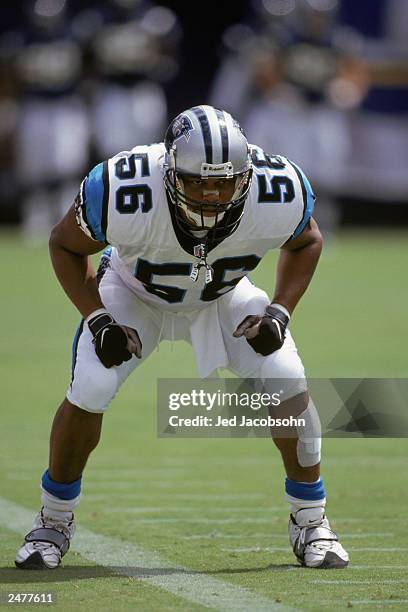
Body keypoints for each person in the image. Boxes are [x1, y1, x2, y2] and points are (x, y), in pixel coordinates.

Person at [15, 105, 349, 570]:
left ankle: (312, 520)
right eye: (197, 181)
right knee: (90, 386)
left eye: (224, 182)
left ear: (247, 174)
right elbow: (64, 243)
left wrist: (279, 311)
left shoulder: (278, 187)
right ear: (169, 171)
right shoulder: (122, 186)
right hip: (134, 293)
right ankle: (52, 520)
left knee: (287, 376)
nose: (212, 194)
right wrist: (98, 319)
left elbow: (307, 239)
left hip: (222, 297)